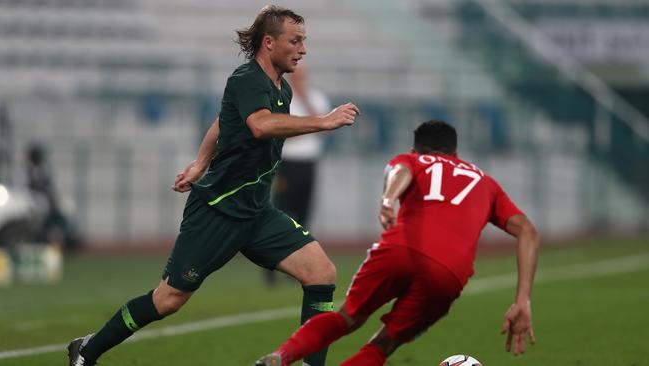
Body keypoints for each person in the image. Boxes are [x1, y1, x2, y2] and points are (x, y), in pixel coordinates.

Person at [67, 6, 360, 366]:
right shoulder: (246, 79)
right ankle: (87, 349)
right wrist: (324, 122)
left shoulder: (279, 88)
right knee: (168, 300)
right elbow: (259, 126)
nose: (303, 49)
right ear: (269, 43)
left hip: (255, 211)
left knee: (322, 272)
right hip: (218, 210)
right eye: (295, 41)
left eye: (304, 41)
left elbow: (223, 121)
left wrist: (199, 163)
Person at [256, 120, 539, 366]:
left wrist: (387, 199)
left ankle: (282, 356)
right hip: (450, 273)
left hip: (399, 249)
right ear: (456, 154)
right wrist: (522, 299)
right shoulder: (486, 183)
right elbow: (527, 230)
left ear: (417, 150)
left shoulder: (412, 160)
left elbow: (400, 172)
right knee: (383, 345)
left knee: (346, 318)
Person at [265, 63, 331, 286]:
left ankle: (297, 266)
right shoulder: (281, 97)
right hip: (286, 164)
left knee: (304, 215)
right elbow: (277, 133)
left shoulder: (316, 98)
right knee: (282, 212)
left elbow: (322, 125)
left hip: (308, 164)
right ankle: (272, 266)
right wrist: (305, 129)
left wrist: (303, 120)